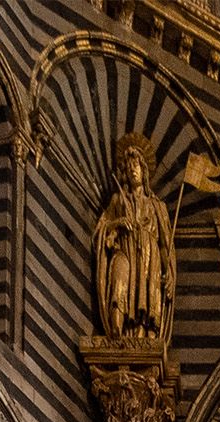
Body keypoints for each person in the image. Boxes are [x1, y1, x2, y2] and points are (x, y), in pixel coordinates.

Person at [93, 135, 174, 341]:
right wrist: (117, 223)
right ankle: (117, 331)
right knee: (119, 280)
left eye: (136, 165)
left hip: (149, 256)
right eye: (128, 166)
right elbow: (101, 231)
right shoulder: (118, 200)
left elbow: (165, 244)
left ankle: (144, 335)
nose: (132, 170)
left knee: (146, 295)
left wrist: (169, 273)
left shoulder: (157, 206)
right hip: (124, 250)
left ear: (144, 171)